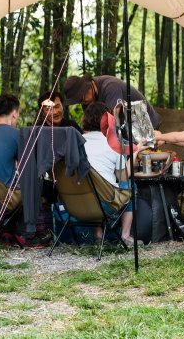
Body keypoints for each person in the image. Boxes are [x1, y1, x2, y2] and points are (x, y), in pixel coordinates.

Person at [80, 102, 134, 246]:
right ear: (109, 120)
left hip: (77, 204)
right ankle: (125, 235)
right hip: (105, 205)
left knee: (93, 183)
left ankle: (98, 234)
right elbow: (123, 178)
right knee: (130, 186)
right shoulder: (113, 144)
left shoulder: (75, 142)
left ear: (85, 119)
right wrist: (135, 155)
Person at [62, 74, 161, 129]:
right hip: (126, 125)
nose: (82, 103)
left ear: (88, 87)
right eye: (78, 101)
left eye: (81, 98)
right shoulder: (87, 99)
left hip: (144, 122)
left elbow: (112, 119)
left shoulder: (110, 86)